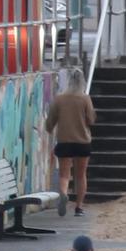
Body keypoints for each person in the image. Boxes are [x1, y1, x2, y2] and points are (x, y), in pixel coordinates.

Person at [45, 67, 96, 217]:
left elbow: (50, 122)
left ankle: (63, 194)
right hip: (82, 142)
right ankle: (79, 207)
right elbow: (91, 120)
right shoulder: (85, 98)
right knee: (81, 175)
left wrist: (50, 130)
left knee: (64, 175)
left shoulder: (59, 99)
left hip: (64, 141)